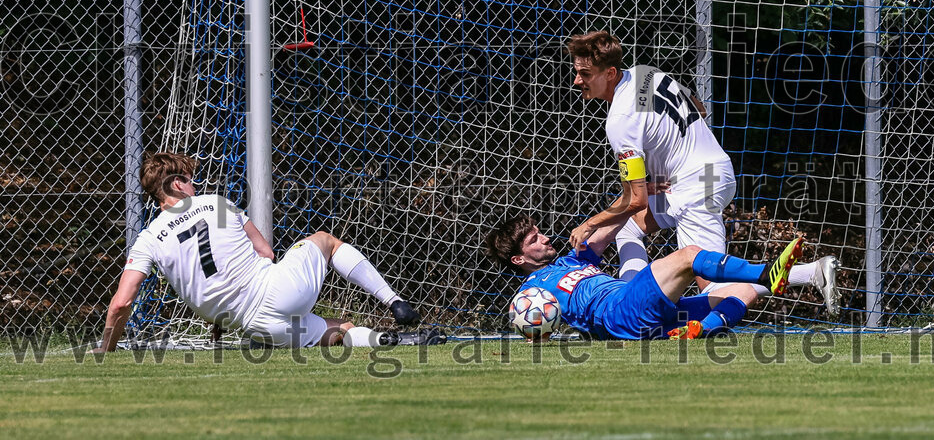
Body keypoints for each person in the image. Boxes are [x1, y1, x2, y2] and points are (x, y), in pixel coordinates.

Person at [565, 30, 840, 315]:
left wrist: (590, 224)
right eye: (576, 72)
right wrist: (667, 163)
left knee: (715, 290)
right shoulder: (645, 74)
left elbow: (635, 200)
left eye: (585, 74)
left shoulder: (620, 120)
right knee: (627, 228)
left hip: (695, 187)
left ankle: (811, 273)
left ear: (610, 73)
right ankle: (628, 300)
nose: (577, 81)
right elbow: (699, 108)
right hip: (708, 171)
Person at [93, 152, 442, 352]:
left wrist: (107, 347)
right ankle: (394, 302)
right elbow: (265, 251)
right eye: (188, 177)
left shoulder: (148, 238)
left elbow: (122, 302)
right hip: (277, 290)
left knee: (334, 332)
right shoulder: (215, 203)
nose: (193, 182)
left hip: (255, 326)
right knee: (325, 241)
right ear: (176, 184)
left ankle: (394, 339)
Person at [485, 213, 804, 340]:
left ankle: (701, 330)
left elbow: (620, 221)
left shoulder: (573, 258)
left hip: (638, 312)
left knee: (742, 291)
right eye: (533, 240)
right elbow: (535, 326)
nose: (543, 239)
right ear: (518, 259)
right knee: (689, 256)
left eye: (539, 233)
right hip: (618, 311)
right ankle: (767, 272)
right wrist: (537, 335)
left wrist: (639, 195)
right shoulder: (532, 293)